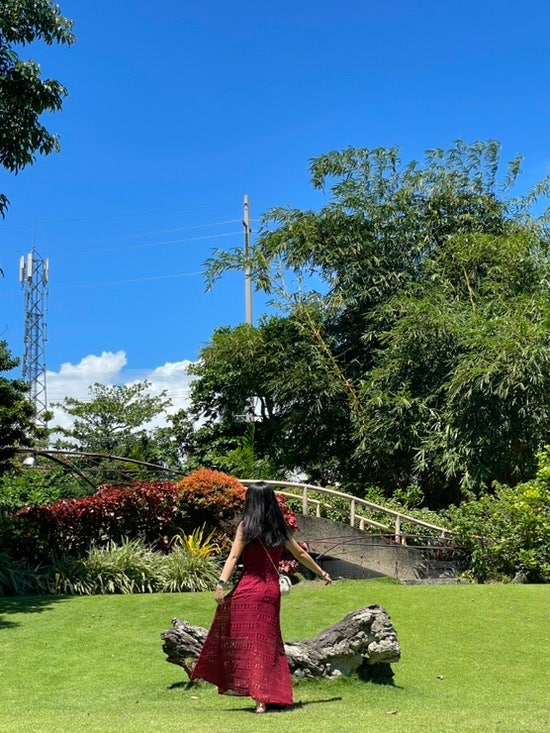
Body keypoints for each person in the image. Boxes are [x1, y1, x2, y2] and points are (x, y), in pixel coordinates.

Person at [190, 481, 332, 714]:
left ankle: (258, 697)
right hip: (270, 591)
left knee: (243, 639)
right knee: (266, 643)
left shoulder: (246, 526)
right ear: (271, 501)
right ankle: (265, 695)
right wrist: (321, 573)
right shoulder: (280, 527)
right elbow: (301, 553)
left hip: (248, 589)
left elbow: (233, 557)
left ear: (251, 501)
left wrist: (220, 585)